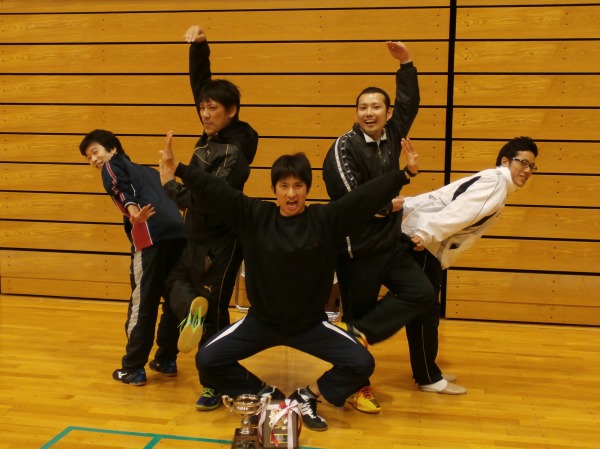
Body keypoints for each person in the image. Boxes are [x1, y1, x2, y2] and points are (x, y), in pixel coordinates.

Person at [158, 131, 409, 432]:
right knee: (207, 360)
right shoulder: (254, 215)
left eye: (298, 186)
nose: (291, 194)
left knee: (362, 363)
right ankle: (265, 392)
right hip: (261, 324)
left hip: (310, 326)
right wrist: (179, 169)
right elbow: (217, 192)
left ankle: (308, 395)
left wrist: (404, 174)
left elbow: (363, 197)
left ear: (307, 189)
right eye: (284, 186)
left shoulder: (325, 220)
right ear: (274, 189)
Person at [322, 41, 437, 413]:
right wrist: (388, 206)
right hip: (356, 250)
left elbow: (409, 103)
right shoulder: (343, 147)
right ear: (356, 113)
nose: (369, 113)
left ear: (387, 113)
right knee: (358, 311)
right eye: (363, 107)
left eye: (376, 107)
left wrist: (407, 63)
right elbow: (350, 199)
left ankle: (359, 332)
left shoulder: (392, 133)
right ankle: (357, 386)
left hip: (389, 245)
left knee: (421, 292)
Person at [161, 25, 259, 411]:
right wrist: (199, 47)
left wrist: (171, 186)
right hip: (194, 234)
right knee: (174, 283)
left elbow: (209, 200)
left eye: (212, 108)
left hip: (223, 239)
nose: (204, 113)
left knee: (215, 308)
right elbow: (201, 85)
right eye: (202, 108)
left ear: (231, 111)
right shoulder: (212, 129)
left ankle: (213, 384)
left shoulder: (237, 148)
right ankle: (193, 316)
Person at [401, 136, 539, 394]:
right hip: (424, 245)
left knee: (425, 310)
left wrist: (406, 206)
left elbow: (441, 197)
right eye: (523, 162)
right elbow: (459, 212)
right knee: (425, 312)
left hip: (425, 243)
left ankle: (427, 371)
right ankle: (428, 377)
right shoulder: (495, 183)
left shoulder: (492, 180)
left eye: (532, 166)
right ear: (505, 161)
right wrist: (425, 233)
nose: (527, 170)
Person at [79, 129, 187, 386]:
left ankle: (133, 367)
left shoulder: (112, 165)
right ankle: (166, 359)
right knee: (173, 299)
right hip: (180, 235)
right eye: (88, 157)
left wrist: (133, 211)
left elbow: (118, 186)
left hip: (151, 236)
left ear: (112, 149)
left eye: (95, 152)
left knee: (143, 301)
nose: (93, 160)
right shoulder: (150, 172)